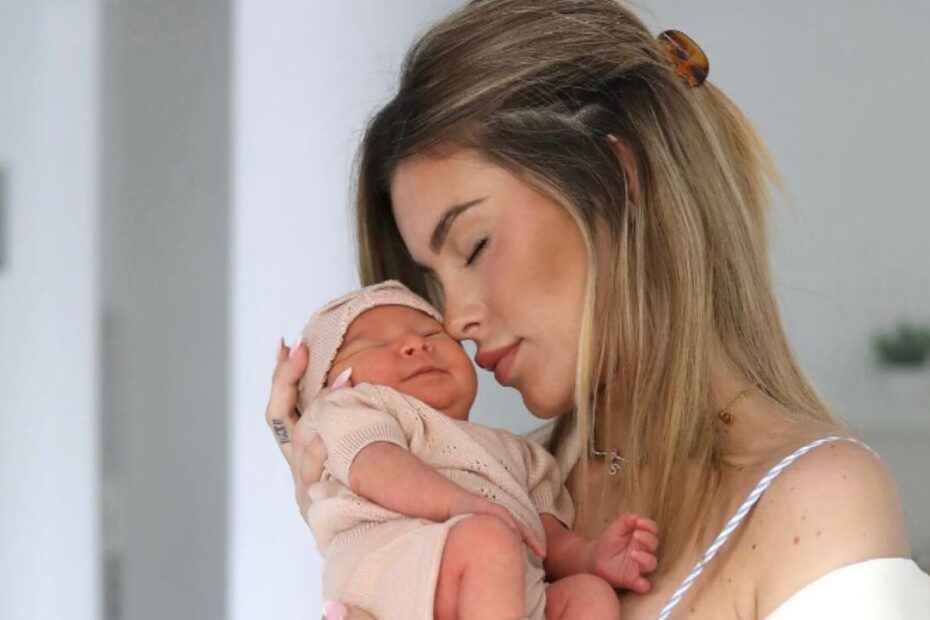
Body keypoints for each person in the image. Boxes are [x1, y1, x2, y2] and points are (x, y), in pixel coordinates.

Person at [266, 1, 930, 618]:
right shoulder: (493, 495)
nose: (455, 320)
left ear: (617, 177)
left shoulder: (814, 503)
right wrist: (336, 497)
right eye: (432, 286)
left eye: (474, 246)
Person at [295, 280, 658, 619]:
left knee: (589, 595)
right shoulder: (350, 408)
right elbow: (374, 466)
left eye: (431, 332)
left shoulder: (520, 452)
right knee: (489, 540)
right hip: (392, 573)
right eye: (372, 344)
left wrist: (591, 556)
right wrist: (457, 503)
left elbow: (546, 539)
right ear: (330, 386)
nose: (414, 344)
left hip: (500, 589)